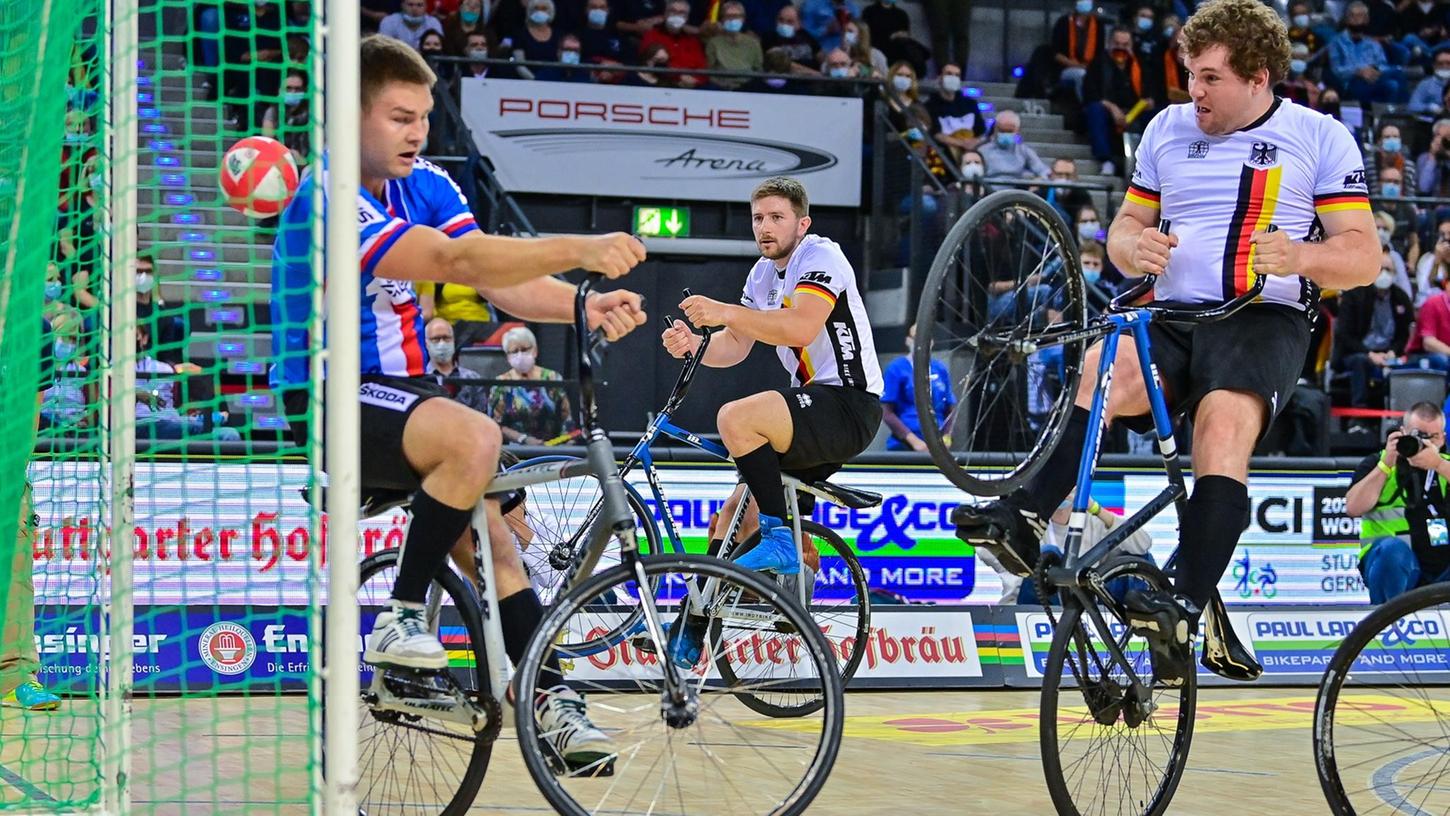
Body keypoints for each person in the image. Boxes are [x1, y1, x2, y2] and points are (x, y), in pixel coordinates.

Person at [953, 0, 1378, 687]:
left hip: (1262, 317)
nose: (1194, 92)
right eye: (1189, 74)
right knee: (1102, 367)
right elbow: (1122, 231)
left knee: (1222, 424)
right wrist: (1131, 245)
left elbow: (1363, 259)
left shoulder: (1319, 136)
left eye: (1210, 78)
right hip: (1173, 313)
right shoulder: (1167, 128)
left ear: (1258, 78)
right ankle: (1024, 514)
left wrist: (1300, 257)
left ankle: (1183, 599)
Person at [271, 34, 648, 770]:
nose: (418, 132)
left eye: (424, 117)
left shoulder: (430, 184)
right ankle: (402, 617)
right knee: (473, 438)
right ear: (350, 116)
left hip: (404, 396)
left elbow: (496, 283)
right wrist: (577, 245)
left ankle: (548, 701)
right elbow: (449, 263)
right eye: (398, 117)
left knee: (499, 538)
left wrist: (585, 304)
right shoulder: (324, 194)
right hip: (325, 395)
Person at [660, 176, 883, 667]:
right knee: (735, 515)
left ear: (802, 223)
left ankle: (784, 543)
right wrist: (696, 346)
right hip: (813, 410)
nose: (765, 226)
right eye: (759, 218)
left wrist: (723, 312)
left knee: (736, 418)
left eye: (777, 217)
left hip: (848, 405)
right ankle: (693, 629)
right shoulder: (762, 275)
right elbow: (735, 347)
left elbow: (801, 326)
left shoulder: (821, 256)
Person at [1, 319, 61, 711]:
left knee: (16, 573)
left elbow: (34, 406)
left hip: (6, 470)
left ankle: (16, 676)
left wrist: (13, 470)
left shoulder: (32, 327)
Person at [1346, 402, 1450, 603]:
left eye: (1433, 437)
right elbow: (1353, 507)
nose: (1425, 443)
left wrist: (1438, 465)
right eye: (1419, 436)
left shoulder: (1445, 464)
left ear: (1443, 438)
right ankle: (1387, 624)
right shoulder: (1379, 462)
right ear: (1402, 433)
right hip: (1396, 564)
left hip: (1443, 567)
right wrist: (1385, 465)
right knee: (1392, 551)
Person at [1332, 254, 1414, 421]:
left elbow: (1403, 334)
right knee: (1361, 362)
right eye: (1380, 269)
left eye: (1388, 270)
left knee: (1412, 364)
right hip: (1355, 353)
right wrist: (1370, 354)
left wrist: (1393, 351)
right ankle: (1358, 418)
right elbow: (1344, 335)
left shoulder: (1401, 298)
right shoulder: (1354, 294)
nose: (1384, 273)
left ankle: (1401, 418)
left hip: (1388, 354)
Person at [488, 325, 577, 445]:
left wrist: (567, 444)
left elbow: (566, 418)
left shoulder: (551, 377)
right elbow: (495, 424)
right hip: (516, 450)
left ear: (535, 350)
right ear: (507, 357)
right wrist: (523, 439)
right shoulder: (501, 383)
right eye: (514, 351)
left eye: (524, 349)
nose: (520, 355)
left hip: (553, 448)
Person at [1083, 27, 1151, 177]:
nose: (1121, 48)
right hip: (1107, 111)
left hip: (1135, 111)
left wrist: (1146, 103)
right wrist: (1112, 108)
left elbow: (1149, 93)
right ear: (1109, 43)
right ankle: (1106, 161)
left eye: (1125, 44)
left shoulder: (1140, 65)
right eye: (1117, 43)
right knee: (1095, 110)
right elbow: (1091, 94)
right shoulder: (1098, 63)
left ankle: (1149, 165)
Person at [879, 322, 954, 452]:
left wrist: (946, 437)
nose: (922, 343)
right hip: (904, 445)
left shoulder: (940, 368)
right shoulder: (896, 369)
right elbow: (887, 412)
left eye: (926, 338)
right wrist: (913, 441)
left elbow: (950, 407)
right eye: (916, 338)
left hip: (938, 445)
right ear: (908, 340)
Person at [1329, 1, 1404, 106]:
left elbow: (1383, 64)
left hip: (1375, 78)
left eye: (1360, 16)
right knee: (1392, 84)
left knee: (1396, 76)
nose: (1356, 19)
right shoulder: (1336, 42)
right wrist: (1359, 72)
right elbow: (1336, 70)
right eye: (1352, 16)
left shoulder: (1373, 44)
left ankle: (1397, 114)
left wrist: (1374, 70)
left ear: (1367, 19)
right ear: (1346, 19)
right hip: (1352, 82)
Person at [424, 317, 490, 414]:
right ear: (426, 344)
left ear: (453, 341)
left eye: (446, 338)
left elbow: (481, 415)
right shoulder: (420, 379)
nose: (442, 343)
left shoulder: (473, 378)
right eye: (436, 339)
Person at [638, 0, 708, 88]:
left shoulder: (693, 41)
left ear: (686, 18)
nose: (677, 14)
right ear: (665, 14)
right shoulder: (651, 35)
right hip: (661, 85)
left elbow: (702, 68)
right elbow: (647, 62)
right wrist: (679, 77)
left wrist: (695, 81)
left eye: (682, 12)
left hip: (692, 87)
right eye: (673, 11)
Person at [924, 63, 985, 160]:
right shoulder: (929, 106)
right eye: (949, 74)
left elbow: (980, 130)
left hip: (971, 154)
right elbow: (935, 133)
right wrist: (962, 143)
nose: (953, 78)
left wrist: (973, 142)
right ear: (939, 78)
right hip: (943, 155)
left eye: (957, 75)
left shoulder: (970, 103)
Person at [705, 0, 762, 89]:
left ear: (743, 19)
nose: (732, 20)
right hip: (720, 87)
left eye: (736, 16)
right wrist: (722, 85)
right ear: (722, 19)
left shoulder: (753, 43)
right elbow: (708, 72)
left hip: (748, 88)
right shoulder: (713, 43)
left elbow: (759, 70)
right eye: (728, 16)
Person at [978, 110, 1050, 180]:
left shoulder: (1024, 151)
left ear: (1017, 131)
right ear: (995, 129)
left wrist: (1038, 181)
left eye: (1009, 131)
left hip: (1017, 190)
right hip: (988, 189)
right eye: (1002, 131)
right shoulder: (982, 151)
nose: (1005, 134)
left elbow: (1044, 171)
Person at [760, 4, 821, 72]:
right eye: (781, 20)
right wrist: (814, 74)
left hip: (812, 78)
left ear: (799, 23)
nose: (784, 24)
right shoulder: (769, 37)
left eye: (790, 22)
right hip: (786, 77)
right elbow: (779, 63)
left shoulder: (805, 35)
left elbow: (820, 55)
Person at [380, 0, 444, 50]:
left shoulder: (433, 23)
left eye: (419, 5)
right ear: (402, 5)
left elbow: (438, 48)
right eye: (410, 4)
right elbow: (383, 47)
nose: (414, 9)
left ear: (426, 7)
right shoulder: (389, 22)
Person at [1409, 47, 1450, 117]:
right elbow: (1413, 105)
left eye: (1448, 63)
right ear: (1434, 66)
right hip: (1433, 122)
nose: (1444, 66)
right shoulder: (1425, 84)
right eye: (1440, 63)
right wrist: (1429, 107)